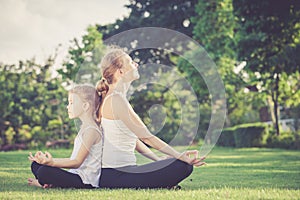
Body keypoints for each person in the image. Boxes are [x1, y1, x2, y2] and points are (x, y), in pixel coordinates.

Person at [96, 48, 206, 189]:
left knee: (175, 163)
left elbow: (135, 140)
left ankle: (163, 182)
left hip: (118, 174)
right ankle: (163, 183)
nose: (136, 64)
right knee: (182, 166)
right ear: (121, 72)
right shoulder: (116, 99)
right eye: (130, 62)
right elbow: (146, 137)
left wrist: (158, 159)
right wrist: (180, 156)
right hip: (116, 176)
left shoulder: (115, 97)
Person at [28, 84, 103, 189]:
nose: (68, 106)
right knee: (36, 166)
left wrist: (52, 162)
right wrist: (45, 161)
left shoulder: (91, 131)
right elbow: (72, 160)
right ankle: (50, 183)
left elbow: (77, 162)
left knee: (44, 171)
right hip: (75, 175)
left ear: (85, 106)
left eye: (71, 103)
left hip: (85, 181)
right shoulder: (84, 128)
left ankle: (43, 183)